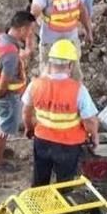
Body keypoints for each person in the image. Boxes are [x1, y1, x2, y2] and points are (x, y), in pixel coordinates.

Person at [22, 39, 99, 186]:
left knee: (40, 179)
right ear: (70, 65)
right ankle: (61, 207)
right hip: (68, 145)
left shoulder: (35, 85)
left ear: (50, 64)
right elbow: (90, 120)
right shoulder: (79, 90)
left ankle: (38, 206)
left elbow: (26, 111)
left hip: (42, 141)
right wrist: (94, 136)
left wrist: (29, 128)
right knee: (65, 183)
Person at [0, 11, 36, 172]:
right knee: (5, 127)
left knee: (2, 123)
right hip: (7, 97)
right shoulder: (11, 55)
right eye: (30, 30)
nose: (31, 33)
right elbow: (4, 83)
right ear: (22, 29)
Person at [30, 0, 93, 80]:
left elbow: (82, 9)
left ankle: (75, 96)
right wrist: (31, 41)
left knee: (75, 73)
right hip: (50, 41)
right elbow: (32, 16)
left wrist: (88, 30)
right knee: (47, 74)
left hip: (71, 39)